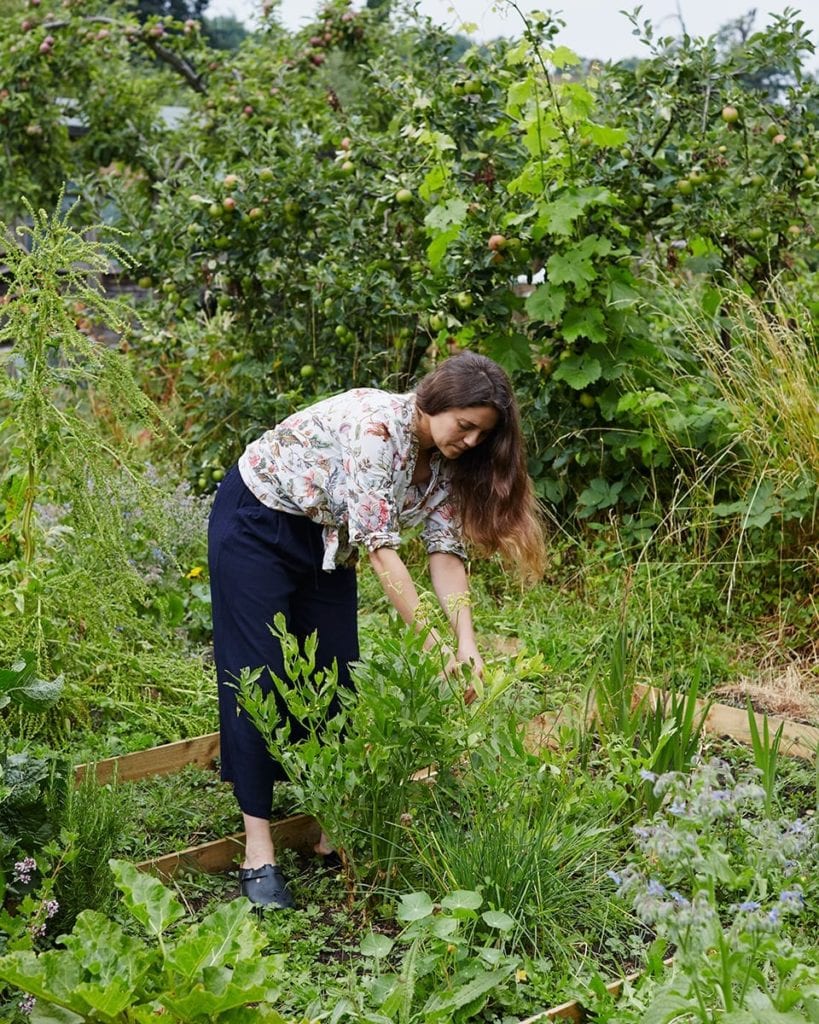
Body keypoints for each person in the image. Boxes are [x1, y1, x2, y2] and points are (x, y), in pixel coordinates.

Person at [207, 351, 544, 908]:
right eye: (465, 426)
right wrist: (431, 644)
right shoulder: (376, 430)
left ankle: (329, 825)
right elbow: (383, 553)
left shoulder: (444, 463)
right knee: (258, 678)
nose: (471, 442)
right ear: (439, 399)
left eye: (482, 435)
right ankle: (258, 850)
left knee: (337, 674)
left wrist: (465, 643)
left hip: (326, 537)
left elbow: (446, 553)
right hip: (257, 522)